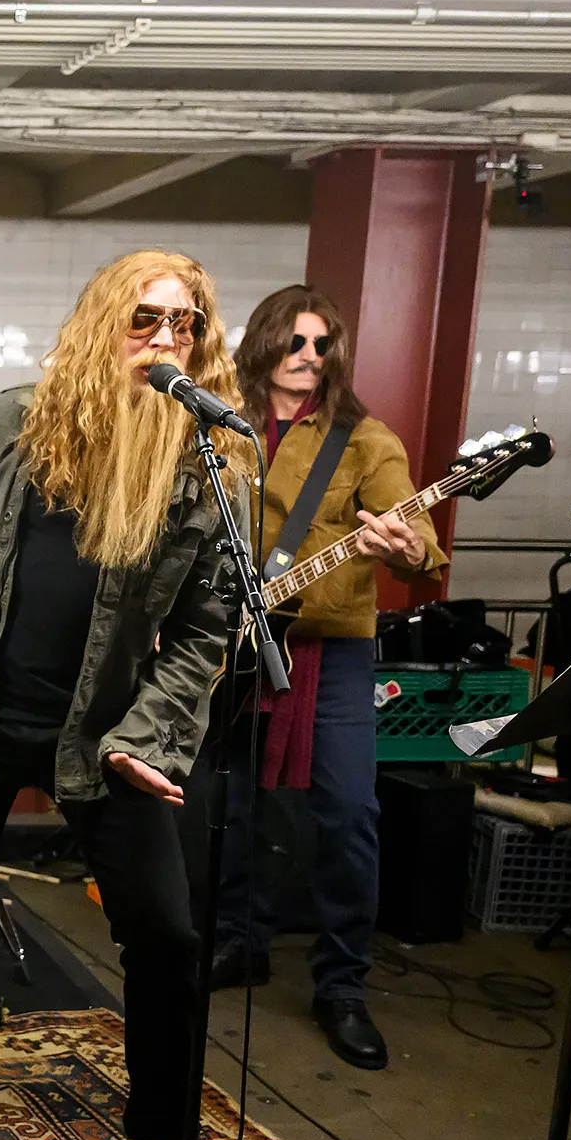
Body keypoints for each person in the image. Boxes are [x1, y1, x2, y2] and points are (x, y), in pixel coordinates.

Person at [0, 250, 250, 1140]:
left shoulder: (199, 468)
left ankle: (160, 1134)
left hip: (105, 739)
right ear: (104, 324)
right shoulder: (13, 422)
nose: (165, 341)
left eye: (184, 325)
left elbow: (205, 630)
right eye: (145, 320)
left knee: (168, 937)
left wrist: (150, 735)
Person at [205, 285, 445, 1071]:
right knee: (230, 803)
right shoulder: (220, 430)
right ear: (266, 343)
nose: (308, 356)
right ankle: (239, 941)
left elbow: (421, 543)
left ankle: (341, 984)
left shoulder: (365, 439)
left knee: (349, 814)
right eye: (295, 341)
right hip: (233, 643)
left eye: (322, 343)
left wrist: (403, 546)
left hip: (332, 648)